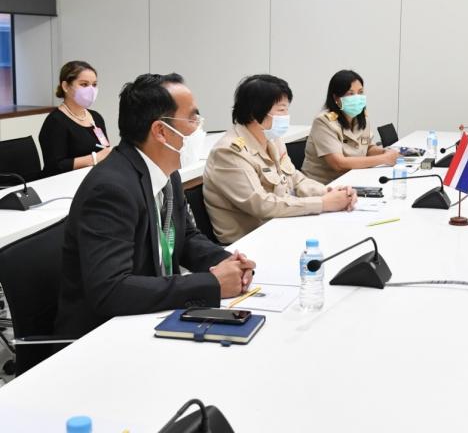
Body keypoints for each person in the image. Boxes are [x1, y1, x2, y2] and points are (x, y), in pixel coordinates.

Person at [55, 73, 255, 339]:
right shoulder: (111, 189)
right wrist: (211, 283)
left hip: (150, 314)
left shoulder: (166, 171)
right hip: (104, 334)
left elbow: (185, 236)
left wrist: (225, 261)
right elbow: (110, 290)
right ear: (160, 131)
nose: (199, 128)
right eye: (192, 119)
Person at [203, 74, 356, 244]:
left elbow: (296, 180)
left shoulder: (272, 139)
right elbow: (261, 204)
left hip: (280, 228)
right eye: (281, 110)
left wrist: (330, 193)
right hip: (248, 244)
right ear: (255, 113)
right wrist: (322, 203)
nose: (286, 116)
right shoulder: (229, 152)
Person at [302, 69, 399, 185]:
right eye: (351, 93)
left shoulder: (361, 118)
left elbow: (367, 148)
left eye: (360, 92)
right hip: (323, 185)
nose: (357, 97)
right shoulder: (323, 121)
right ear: (336, 98)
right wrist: (384, 159)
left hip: (353, 179)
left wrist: (385, 152)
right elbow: (338, 164)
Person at [38, 60, 112, 177]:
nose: (91, 90)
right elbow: (55, 166)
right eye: (84, 84)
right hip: (65, 182)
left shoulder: (96, 117)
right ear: (66, 86)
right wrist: (94, 158)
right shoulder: (55, 121)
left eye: (94, 85)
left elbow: (105, 150)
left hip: (95, 177)